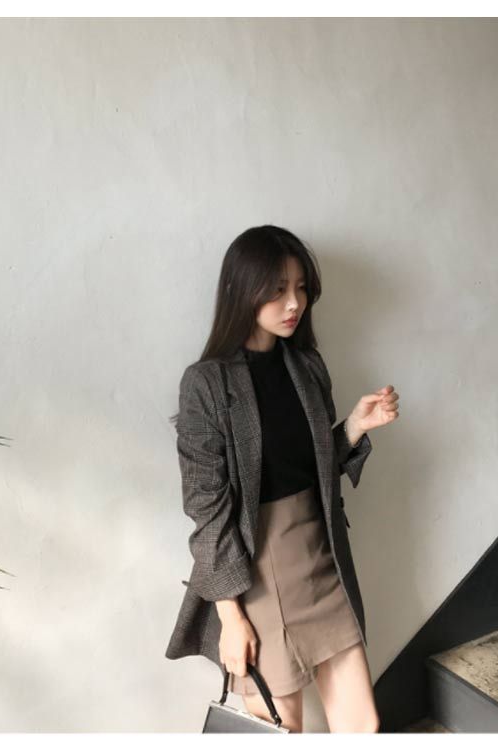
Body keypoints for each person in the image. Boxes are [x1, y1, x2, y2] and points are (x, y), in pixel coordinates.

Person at [165, 225, 399, 732]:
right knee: (281, 730)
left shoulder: (306, 366)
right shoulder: (207, 384)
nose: (294, 303)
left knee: (362, 725)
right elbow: (207, 509)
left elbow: (306, 470)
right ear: (242, 290)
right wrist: (231, 616)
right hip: (256, 574)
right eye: (277, 289)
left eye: (301, 288)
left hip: (321, 558)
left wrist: (354, 428)